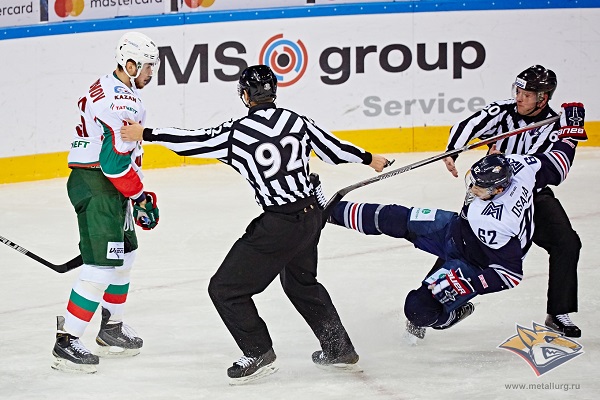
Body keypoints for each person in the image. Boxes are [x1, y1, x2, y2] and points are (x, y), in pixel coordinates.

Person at [120, 65, 390, 384]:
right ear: (273, 91)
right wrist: (371, 159)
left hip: (280, 223)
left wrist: (145, 133)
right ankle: (338, 348)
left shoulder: (237, 133)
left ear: (246, 95)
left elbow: (192, 141)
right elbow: (335, 149)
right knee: (302, 284)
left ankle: (258, 350)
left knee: (224, 289)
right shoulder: (296, 121)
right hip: (311, 217)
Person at [326, 103, 586, 341]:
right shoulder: (521, 165)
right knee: (395, 218)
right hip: (454, 228)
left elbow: (510, 274)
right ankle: (326, 212)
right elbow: (558, 162)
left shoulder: (499, 222)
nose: (472, 189)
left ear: (498, 190)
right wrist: (571, 132)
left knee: (417, 310)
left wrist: (471, 284)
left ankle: (448, 316)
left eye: (480, 189)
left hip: (472, 262)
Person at [440, 65, 584, 337]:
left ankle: (558, 312)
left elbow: (555, 171)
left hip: (532, 196)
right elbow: (468, 125)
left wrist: (569, 135)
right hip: (491, 195)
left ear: (542, 98)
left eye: (527, 95)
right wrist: (452, 150)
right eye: (518, 91)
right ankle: (435, 301)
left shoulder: (554, 126)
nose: (519, 98)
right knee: (463, 244)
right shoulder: (503, 111)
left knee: (567, 243)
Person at [52, 32, 161, 374]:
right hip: (99, 185)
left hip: (109, 186)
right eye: (147, 66)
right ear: (129, 65)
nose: (151, 73)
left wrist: (131, 193)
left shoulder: (106, 84)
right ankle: (67, 341)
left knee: (125, 256)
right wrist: (139, 195)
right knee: (100, 268)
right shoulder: (124, 103)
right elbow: (113, 164)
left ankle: (112, 327)